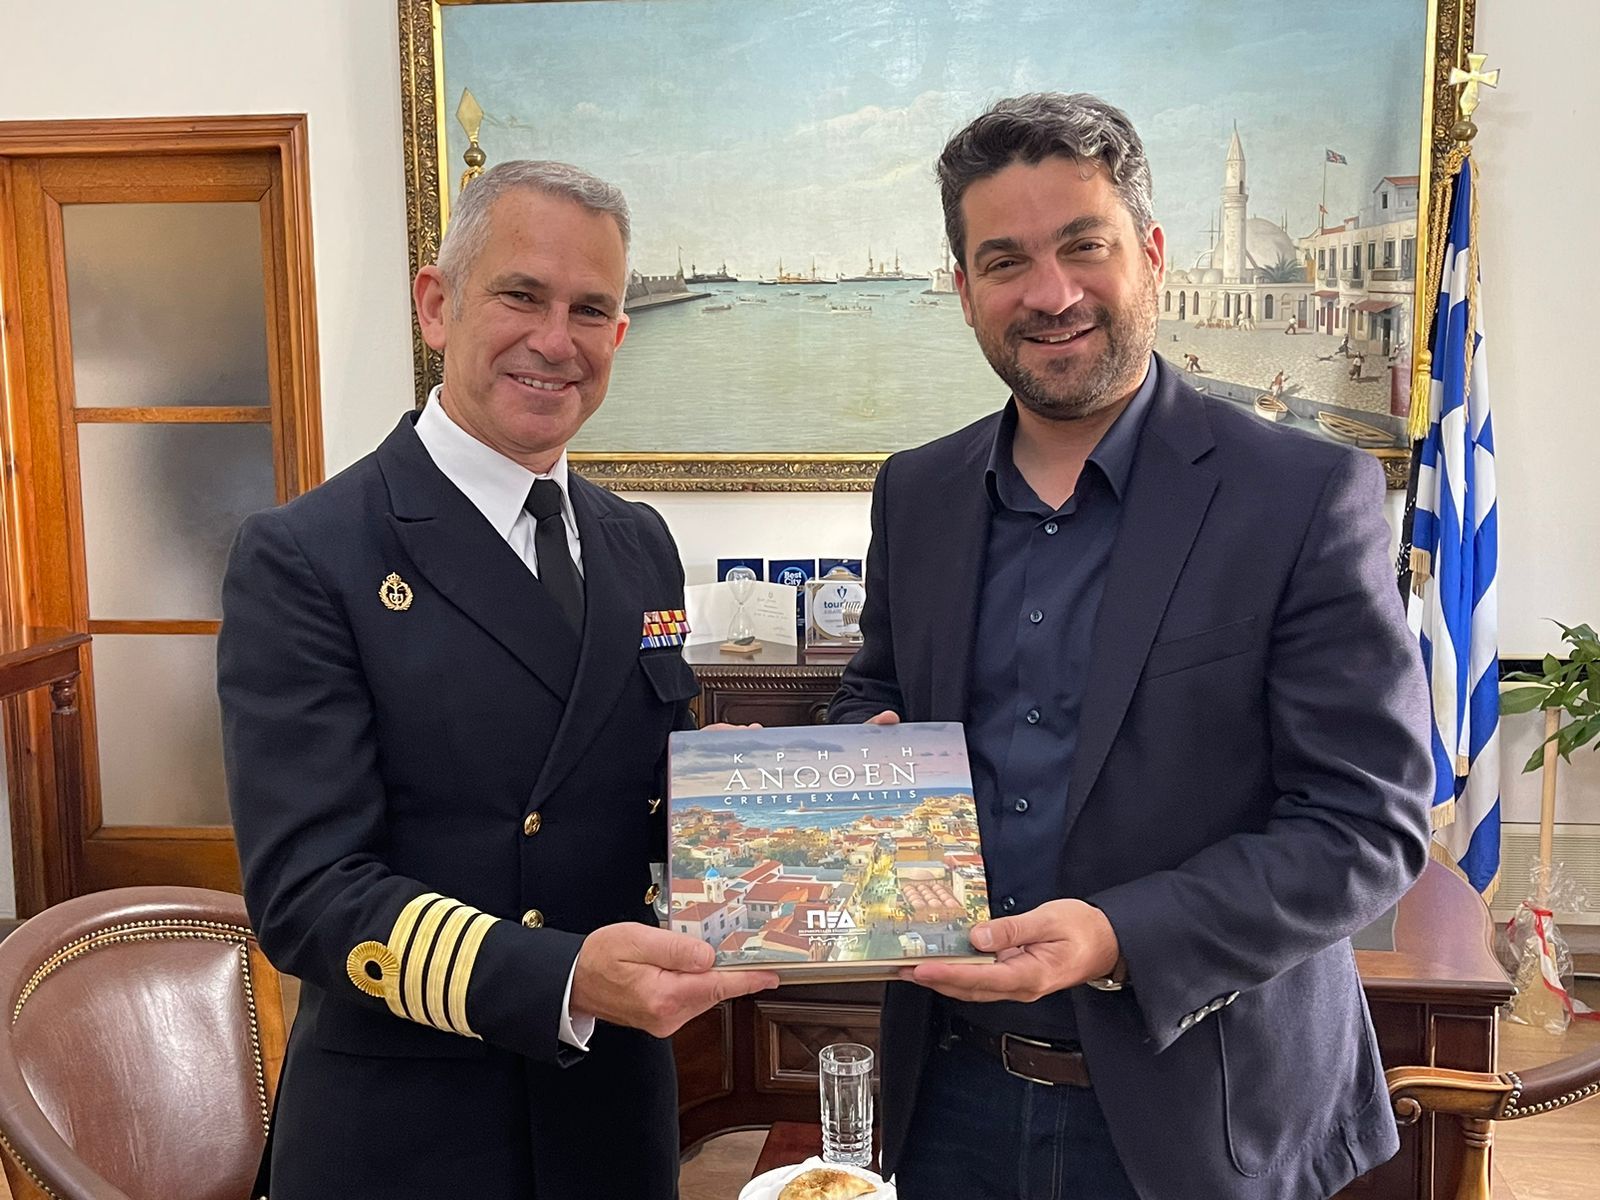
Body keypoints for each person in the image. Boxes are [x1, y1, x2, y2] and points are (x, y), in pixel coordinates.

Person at [829, 93, 1431, 1200]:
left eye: (1083, 246)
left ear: (1150, 254)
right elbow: (873, 692)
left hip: (1204, 1108)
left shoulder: (1302, 495)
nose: (1050, 293)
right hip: (948, 1093)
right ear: (963, 291)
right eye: (1004, 261)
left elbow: (1366, 826)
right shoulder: (915, 493)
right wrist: (836, 768)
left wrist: (1117, 935)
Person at [218, 160, 778, 1199]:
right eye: (521, 295)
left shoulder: (638, 544)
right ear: (437, 305)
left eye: (590, 310)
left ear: (620, 335)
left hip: (610, 1111)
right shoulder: (309, 555)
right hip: (413, 1127)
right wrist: (562, 978)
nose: (555, 340)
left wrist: (754, 799)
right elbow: (305, 894)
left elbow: (627, 791)